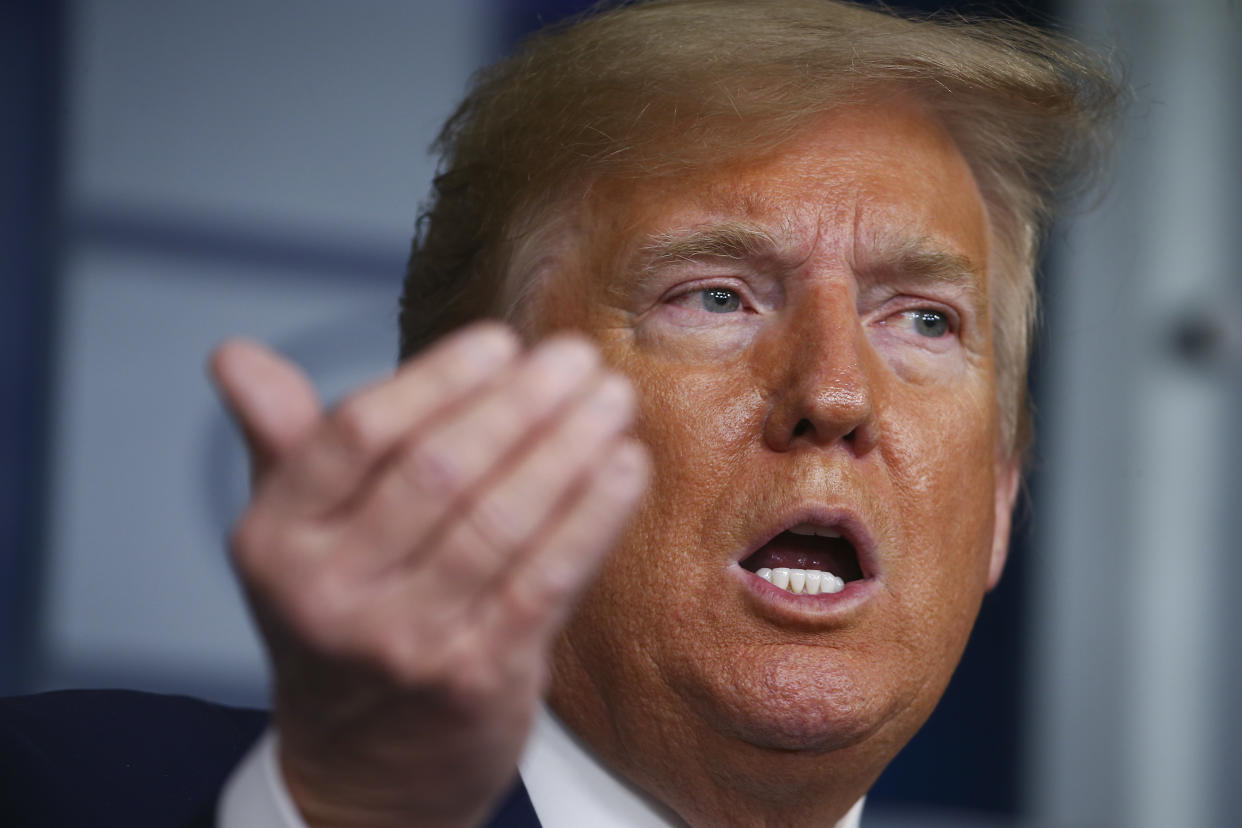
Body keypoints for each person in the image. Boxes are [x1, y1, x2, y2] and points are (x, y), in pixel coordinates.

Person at [0, 1, 1120, 826]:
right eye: (715, 297)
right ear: (477, 440)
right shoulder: (62, 790)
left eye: (923, 321)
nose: (832, 392)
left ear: (1001, 503)